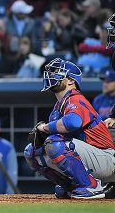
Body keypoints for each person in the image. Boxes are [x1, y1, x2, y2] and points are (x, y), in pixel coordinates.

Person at [24, 58, 115, 199]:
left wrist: (45, 128)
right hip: (92, 158)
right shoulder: (57, 108)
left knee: (54, 143)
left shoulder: (75, 98)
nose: (52, 76)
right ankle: (71, 185)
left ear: (71, 81)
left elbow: (73, 122)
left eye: (58, 74)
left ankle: (91, 186)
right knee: (32, 152)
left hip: (107, 159)